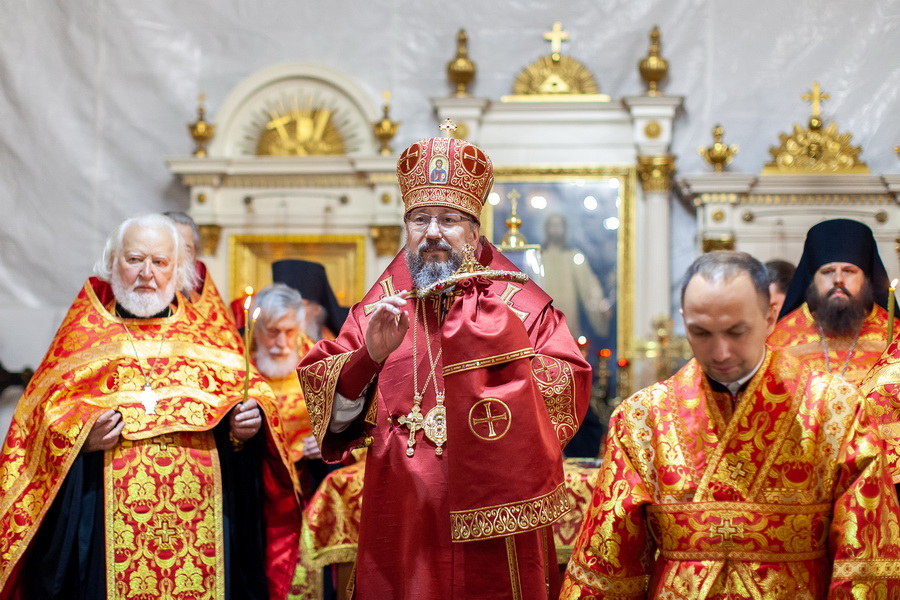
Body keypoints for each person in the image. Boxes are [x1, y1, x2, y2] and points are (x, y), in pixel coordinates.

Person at [296, 128, 592, 599]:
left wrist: (505, 361)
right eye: (419, 218)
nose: (432, 231)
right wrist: (369, 357)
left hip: (498, 519)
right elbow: (328, 406)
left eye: (449, 219)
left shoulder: (521, 306)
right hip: (404, 515)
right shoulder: (380, 308)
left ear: (475, 233)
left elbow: (568, 387)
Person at [561, 250, 900, 598]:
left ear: (770, 318)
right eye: (701, 332)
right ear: (684, 320)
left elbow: (865, 564)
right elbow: (606, 567)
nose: (720, 352)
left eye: (737, 331)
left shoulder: (836, 411)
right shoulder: (641, 419)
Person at [0, 214, 301, 599]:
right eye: (134, 259)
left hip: (200, 525)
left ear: (178, 271)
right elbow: (37, 428)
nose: (146, 273)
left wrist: (244, 431)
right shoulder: (82, 336)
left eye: (159, 262)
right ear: (112, 265)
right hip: (106, 528)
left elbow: (247, 409)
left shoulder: (210, 336)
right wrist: (80, 440)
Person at [768, 218, 898, 385]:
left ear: (866, 279)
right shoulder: (780, 339)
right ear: (812, 280)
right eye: (828, 271)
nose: (838, 279)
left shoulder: (894, 336)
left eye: (849, 271)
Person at [541, 212, 611, 339]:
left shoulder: (573, 256)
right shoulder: (538, 256)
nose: (556, 228)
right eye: (552, 225)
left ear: (565, 228)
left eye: (559, 225)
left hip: (568, 312)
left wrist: (600, 305)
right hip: (544, 311)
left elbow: (589, 286)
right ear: (546, 228)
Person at [163, 210, 236, 326]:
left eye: (186, 250)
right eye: (171, 248)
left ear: (195, 255)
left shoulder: (205, 307)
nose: (179, 258)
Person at [272, 258, 349, 344]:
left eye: (296, 306)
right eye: (282, 305)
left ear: (316, 309)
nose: (287, 312)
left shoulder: (331, 345)